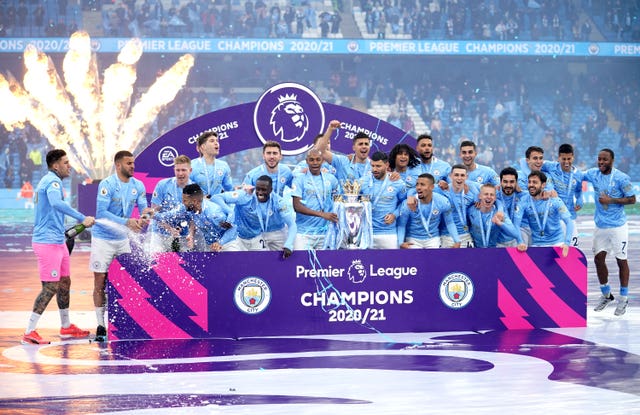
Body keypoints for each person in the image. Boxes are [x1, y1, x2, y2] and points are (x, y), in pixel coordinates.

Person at [22, 149, 96, 345]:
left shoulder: (49, 181)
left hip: (57, 241)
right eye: (65, 162)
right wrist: (82, 218)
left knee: (64, 283)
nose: (68, 165)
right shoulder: (53, 182)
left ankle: (66, 326)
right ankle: (29, 331)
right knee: (50, 287)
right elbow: (56, 203)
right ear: (55, 165)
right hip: (47, 243)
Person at [90, 150, 152, 342]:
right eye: (128, 163)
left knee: (127, 281)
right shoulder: (107, 185)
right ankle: (101, 325)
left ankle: (125, 321)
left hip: (123, 240)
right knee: (100, 281)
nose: (133, 166)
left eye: (133, 163)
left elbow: (144, 211)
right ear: (118, 165)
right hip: (103, 239)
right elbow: (101, 213)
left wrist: (144, 218)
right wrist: (127, 222)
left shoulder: (138, 185)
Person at [583, 149, 636, 316]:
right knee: (599, 260)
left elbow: (632, 199)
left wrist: (611, 200)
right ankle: (606, 294)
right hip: (600, 226)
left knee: (621, 260)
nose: (601, 162)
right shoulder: (593, 174)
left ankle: (623, 297)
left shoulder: (622, 178)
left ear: (612, 160)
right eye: (599, 159)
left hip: (618, 226)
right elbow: (577, 175)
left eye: (604, 160)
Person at [226, 175, 296, 258]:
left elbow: (292, 224)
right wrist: (229, 214)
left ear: (271, 190)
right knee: (260, 261)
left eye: (264, 190)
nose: (260, 192)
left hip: (277, 232)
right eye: (258, 189)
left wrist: (288, 244)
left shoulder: (279, 202)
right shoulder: (248, 196)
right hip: (258, 234)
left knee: (283, 260)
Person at [514, 171, 573, 256]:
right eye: (529, 182)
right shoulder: (523, 201)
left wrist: (567, 243)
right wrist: (520, 242)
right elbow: (516, 224)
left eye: (535, 182)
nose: (531, 185)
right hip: (536, 245)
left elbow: (569, 222)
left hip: (557, 244)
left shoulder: (555, 200)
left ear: (543, 185)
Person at [291, 148, 340, 250]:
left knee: (326, 266)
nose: (315, 163)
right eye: (311, 160)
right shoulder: (299, 180)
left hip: (325, 233)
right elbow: (297, 206)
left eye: (318, 159)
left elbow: (338, 202)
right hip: (303, 234)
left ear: (322, 160)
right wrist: (322, 214)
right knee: (302, 265)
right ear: (306, 161)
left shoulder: (331, 179)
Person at [396, 173, 460, 249]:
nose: (418, 187)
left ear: (432, 187)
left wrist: (457, 241)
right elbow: (401, 225)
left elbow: (449, 222)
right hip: (413, 240)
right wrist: (400, 242)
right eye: (417, 184)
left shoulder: (442, 201)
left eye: (422, 185)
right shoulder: (409, 204)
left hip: (433, 239)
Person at [360, 151, 407, 249]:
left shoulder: (397, 182)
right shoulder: (363, 181)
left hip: (388, 234)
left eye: (378, 166)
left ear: (386, 165)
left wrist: (395, 215)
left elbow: (405, 202)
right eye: (372, 166)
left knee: (391, 264)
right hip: (366, 234)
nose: (374, 169)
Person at [148, 155, 194, 253]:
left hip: (183, 236)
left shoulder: (195, 190)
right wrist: (170, 229)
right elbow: (154, 212)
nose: (180, 173)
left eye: (183, 170)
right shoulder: (163, 185)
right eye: (178, 170)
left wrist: (191, 234)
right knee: (156, 265)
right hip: (160, 234)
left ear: (190, 170)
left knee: (183, 266)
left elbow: (194, 218)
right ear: (174, 170)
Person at [541, 143, 583, 247]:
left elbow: (578, 189)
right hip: (554, 217)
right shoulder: (550, 166)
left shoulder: (578, 174)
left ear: (573, 157)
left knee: (574, 250)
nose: (566, 162)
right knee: (554, 252)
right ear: (558, 157)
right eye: (563, 159)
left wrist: (579, 198)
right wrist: (548, 187)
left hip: (570, 216)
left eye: (569, 158)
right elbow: (527, 162)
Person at [315, 119, 372, 185]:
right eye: (360, 144)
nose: (364, 146)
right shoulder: (342, 161)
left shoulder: (374, 166)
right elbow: (321, 151)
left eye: (366, 144)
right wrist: (330, 129)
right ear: (353, 147)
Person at [468, 184, 525, 249]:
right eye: (486, 194)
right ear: (479, 196)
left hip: (494, 250)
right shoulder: (471, 211)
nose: (489, 197)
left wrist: (501, 224)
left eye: (492, 195)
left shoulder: (499, 214)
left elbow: (515, 234)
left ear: (495, 198)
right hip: (475, 251)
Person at [436, 164, 479, 248]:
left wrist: (478, 197)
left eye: (462, 175)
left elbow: (490, 189)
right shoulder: (441, 189)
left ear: (466, 177)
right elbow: (423, 188)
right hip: (447, 236)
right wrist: (410, 197)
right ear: (450, 176)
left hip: (466, 235)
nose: (459, 178)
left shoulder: (471, 193)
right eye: (456, 175)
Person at [190, 131, 233, 198]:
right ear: (203, 147)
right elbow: (185, 190)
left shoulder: (224, 165)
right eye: (212, 141)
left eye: (217, 141)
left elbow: (230, 189)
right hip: (199, 205)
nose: (216, 143)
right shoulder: (191, 166)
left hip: (218, 205)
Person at [496, 167, 527, 247]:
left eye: (512, 182)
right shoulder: (494, 196)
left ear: (516, 182)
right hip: (497, 242)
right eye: (505, 182)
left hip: (518, 239)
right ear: (500, 182)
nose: (508, 185)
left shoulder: (523, 195)